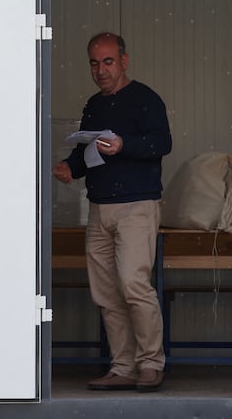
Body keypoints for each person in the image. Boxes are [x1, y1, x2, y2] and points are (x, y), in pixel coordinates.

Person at [53, 32, 172, 392]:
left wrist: (124, 144)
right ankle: (123, 367)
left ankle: (151, 363)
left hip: (137, 206)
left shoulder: (145, 98)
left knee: (134, 286)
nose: (100, 70)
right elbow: (90, 150)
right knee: (105, 294)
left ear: (124, 61)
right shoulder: (93, 104)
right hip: (100, 208)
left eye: (107, 61)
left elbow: (162, 143)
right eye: (94, 62)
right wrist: (70, 167)